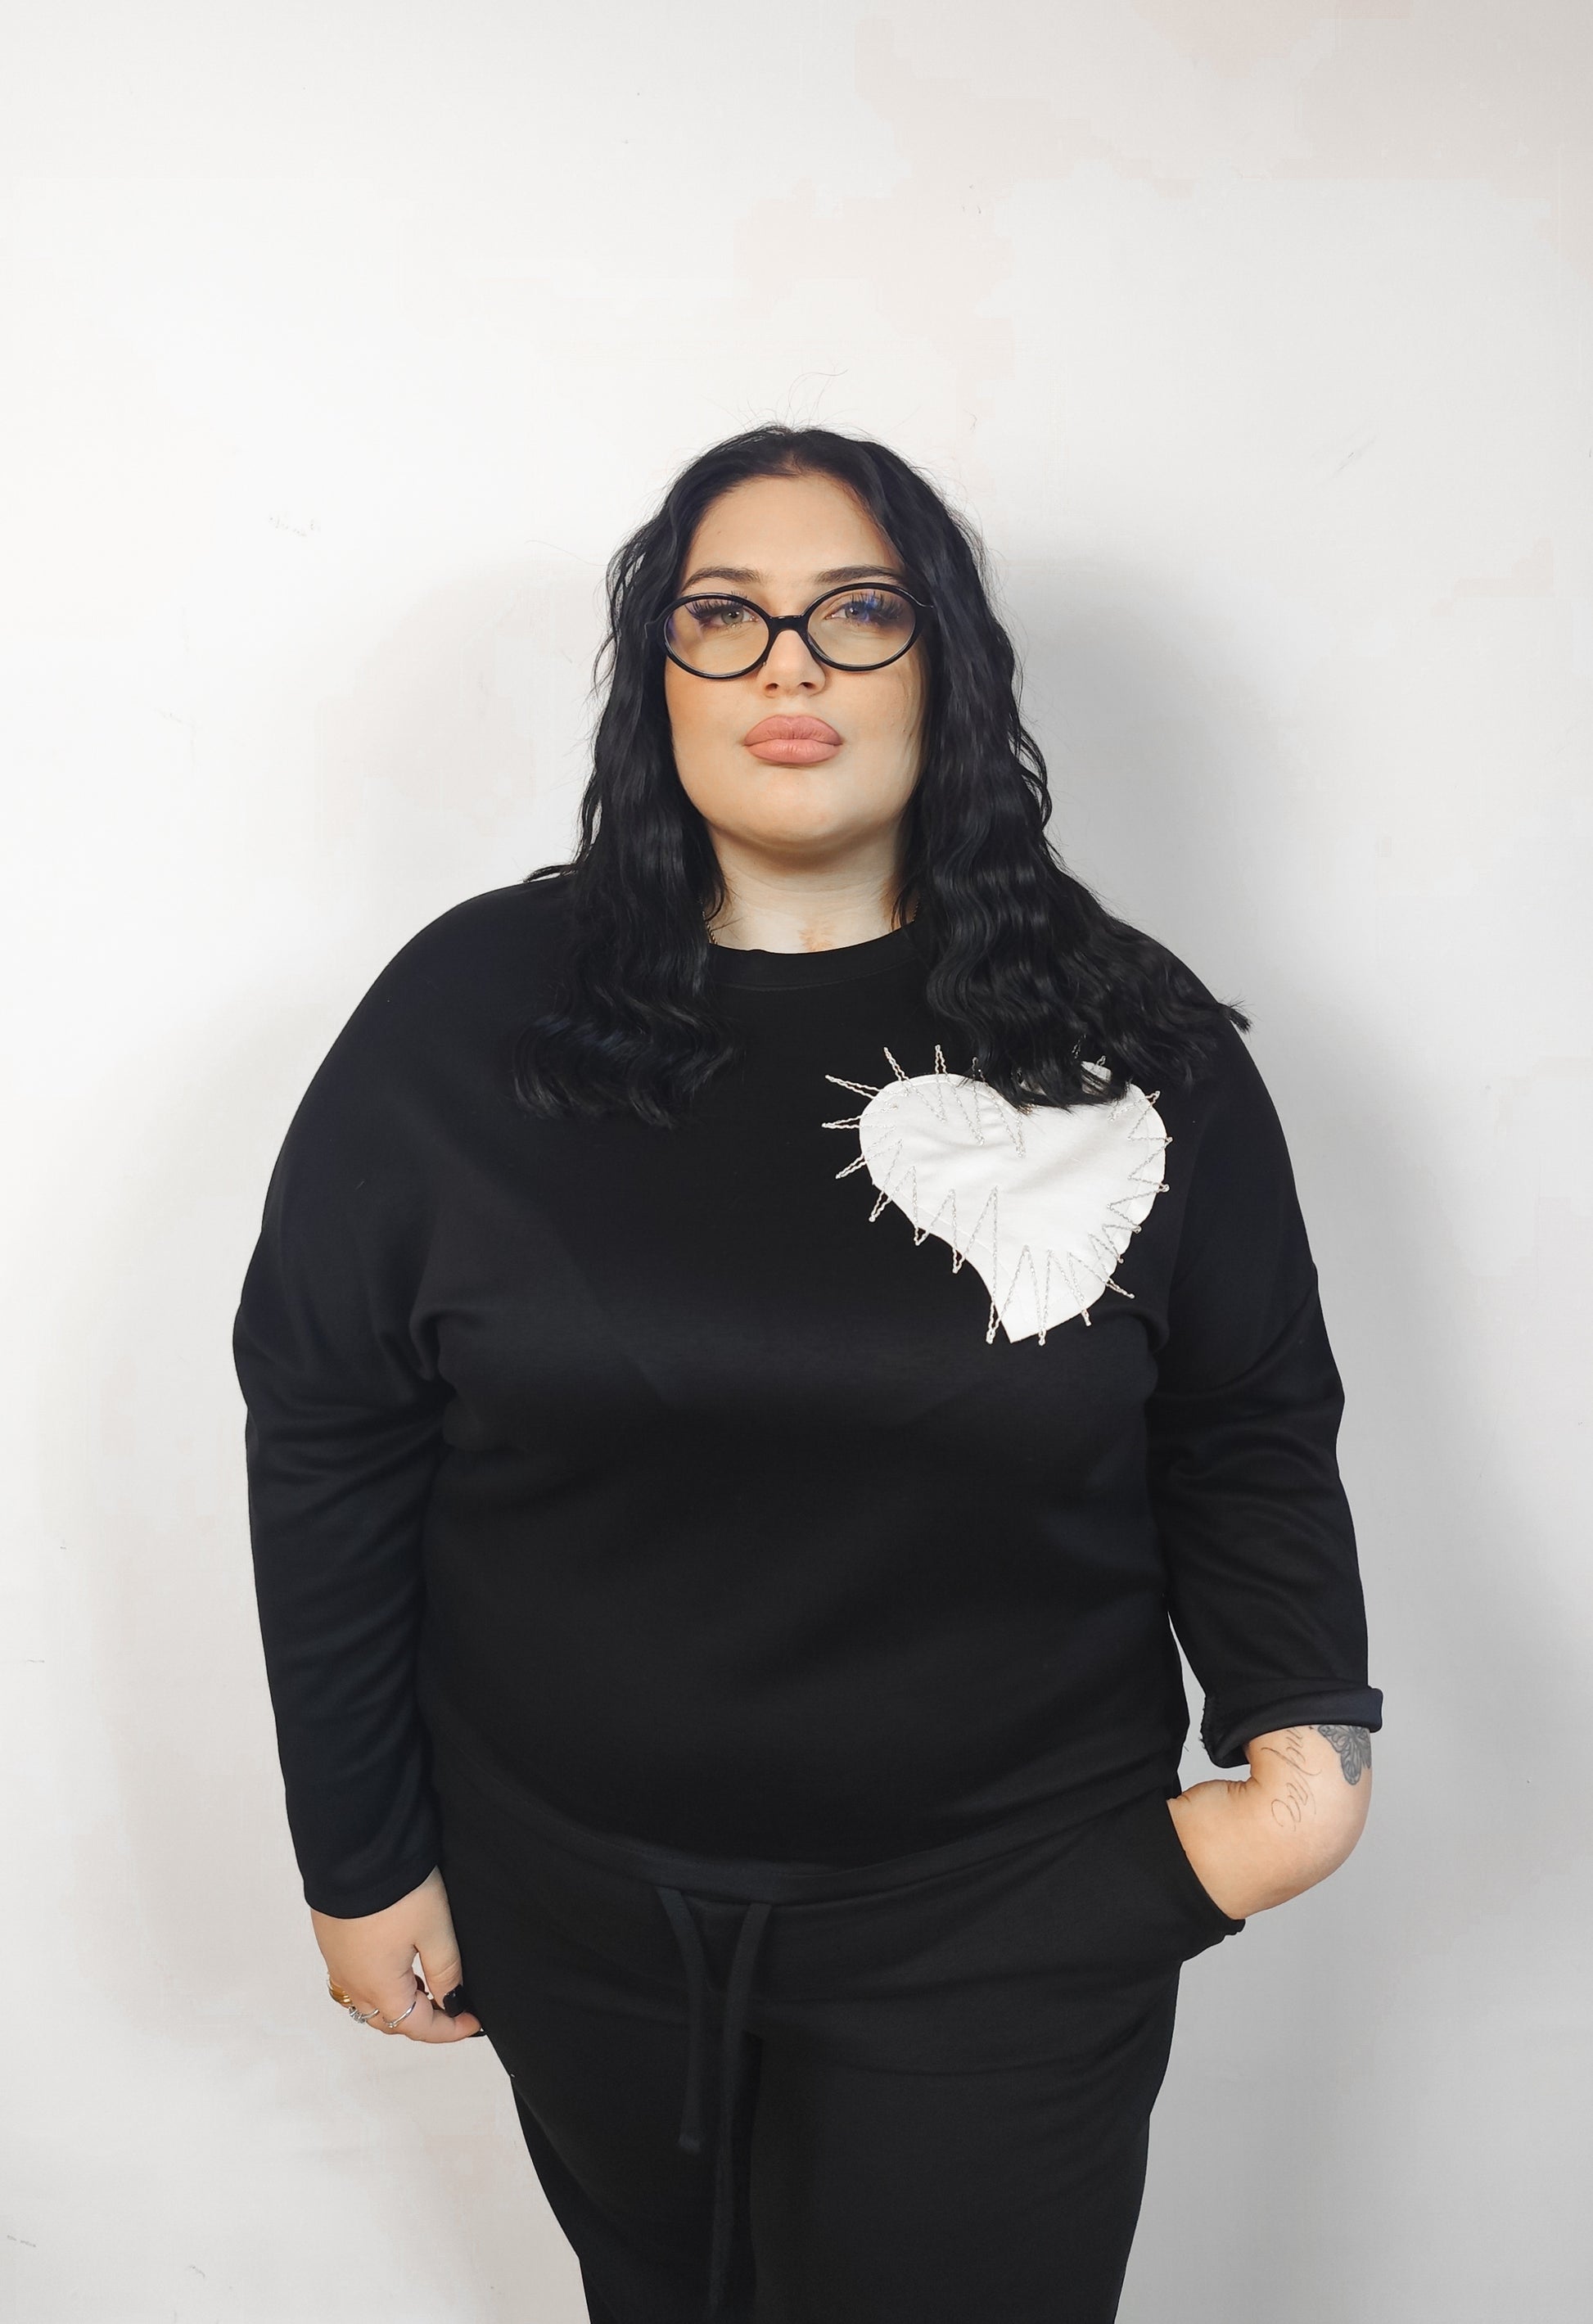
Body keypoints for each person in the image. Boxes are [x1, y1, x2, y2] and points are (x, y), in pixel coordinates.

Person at [233, 424, 1382, 2324]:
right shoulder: (465, 1017)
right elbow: (332, 1432)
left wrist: (1304, 1768)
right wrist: (358, 1856)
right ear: (658, 675)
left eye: (857, 612)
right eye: (725, 615)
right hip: (575, 1908)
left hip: (1004, 1905)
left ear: (946, 664)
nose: (789, 665)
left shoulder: (1128, 1036)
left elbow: (1245, 1420)